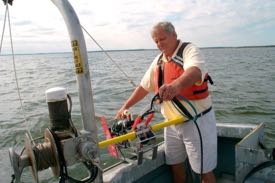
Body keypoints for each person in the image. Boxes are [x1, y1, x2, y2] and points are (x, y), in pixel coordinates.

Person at [116, 21, 217, 183]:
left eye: (162, 39)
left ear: (174, 35)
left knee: (203, 171)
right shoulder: (158, 61)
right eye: (155, 41)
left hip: (196, 121)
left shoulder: (189, 50)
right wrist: (125, 106)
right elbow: (143, 87)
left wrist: (175, 86)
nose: (159, 44)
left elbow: (195, 71)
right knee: (174, 164)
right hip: (170, 123)